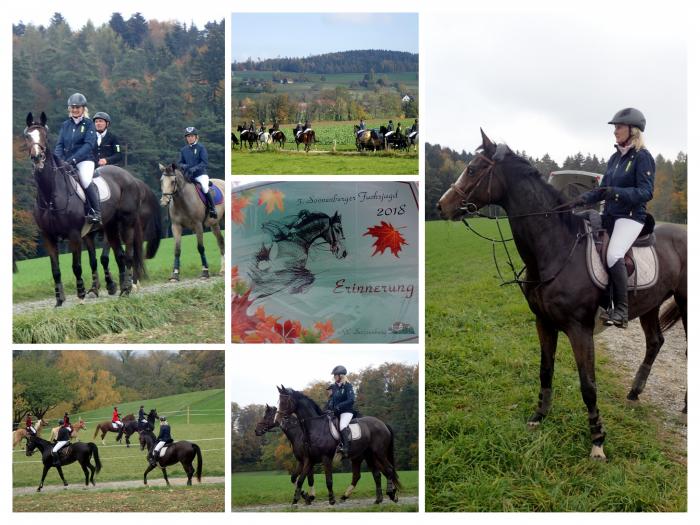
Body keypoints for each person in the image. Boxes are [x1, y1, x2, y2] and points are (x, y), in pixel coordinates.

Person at [567, 108, 655, 328]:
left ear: (632, 130)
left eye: (618, 127)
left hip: (631, 217)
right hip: (611, 215)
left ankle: (621, 310)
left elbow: (646, 193)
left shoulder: (643, 157)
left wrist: (616, 192)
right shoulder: (615, 158)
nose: (615, 132)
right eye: (614, 128)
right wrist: (579, 200)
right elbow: (602, 190)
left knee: (614, 253)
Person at [54, 92, 100, 224]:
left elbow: (88, 145)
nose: (74, 110)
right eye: (72, 107)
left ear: (83, 109)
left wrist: (74, 159)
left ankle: (96, 212)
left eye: (77, 107)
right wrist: (58, 160)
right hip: (67, 161)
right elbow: (60, 145)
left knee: (85, 180)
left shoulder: (89, 124)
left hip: (85, 160)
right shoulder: (65, 125)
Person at [179, 126, 217, 219]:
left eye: (192, 136)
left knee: (204, 187)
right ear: (186, 138)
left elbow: (204, 162)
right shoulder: (183, 150)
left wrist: (194, 168)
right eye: (188, 136)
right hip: (188, 176)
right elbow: (180, 162)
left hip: (200, 175)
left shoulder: (201, 147)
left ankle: (212, 209)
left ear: (196, 137)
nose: (190, 138)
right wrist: (184, 166)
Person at [327, 365, 355, 458]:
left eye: (335, 375)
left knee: (342, 426)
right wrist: (329, 408)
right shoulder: (334, 387)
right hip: (336, 412)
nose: (334, 377)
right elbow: (332, 400)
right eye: (334, 375)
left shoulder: (348, 386)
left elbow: (351, 400)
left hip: (346, 412)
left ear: (341, 376)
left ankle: (346, 448)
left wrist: (339, 406)